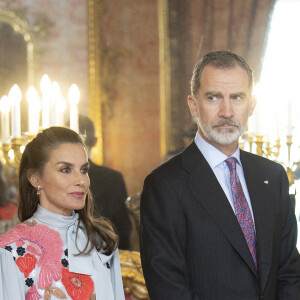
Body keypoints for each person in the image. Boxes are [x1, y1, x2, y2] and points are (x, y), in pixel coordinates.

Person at [140, 50, 300, 299]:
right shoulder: (164, 186)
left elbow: (289, 272)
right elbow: (168, 288)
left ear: (251, 106)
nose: (227, 111)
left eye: (237, 97)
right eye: (213, 97)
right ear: (194, 105)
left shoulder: (273, 176)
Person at [0, 127, 125, 299]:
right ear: (35, 178)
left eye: (84, 170)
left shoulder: (101, 241)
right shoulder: (11, 251)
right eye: (65, 170)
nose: (81, 180)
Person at [78, 115, 132, 250]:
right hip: (108, 255)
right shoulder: (113, 178)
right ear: (95, 141)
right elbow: (123, 230)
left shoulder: (53, 178)